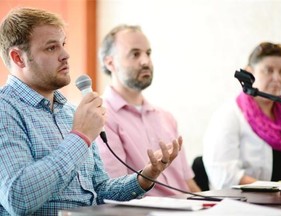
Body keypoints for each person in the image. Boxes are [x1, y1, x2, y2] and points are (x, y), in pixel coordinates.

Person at [0, 8, 182, 215]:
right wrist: (80, 137)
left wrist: (145, 176)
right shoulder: (5, 109)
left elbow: (99, 190)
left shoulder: (70, 112)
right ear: (18, 58)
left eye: (63, 44)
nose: (65, 55)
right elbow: (19, 198)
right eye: (51, 48)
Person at [96, 24, 201, 196]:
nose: (145, 61)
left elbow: (188, 184)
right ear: (110, 62)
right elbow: (115, 192)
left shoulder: (166, 117)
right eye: (135, 54)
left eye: (148, 53)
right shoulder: (101, 117)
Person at [203, 42, 281, 189]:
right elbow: (224, 175)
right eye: (268, 70)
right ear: (250, 72)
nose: (277, 78)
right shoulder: (229, 114)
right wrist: (275, 189)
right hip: (246, 205)